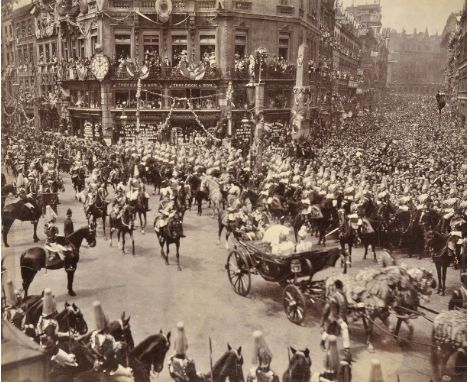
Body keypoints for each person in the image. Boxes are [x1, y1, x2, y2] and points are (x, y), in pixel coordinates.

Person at [88, 301, 132, 377]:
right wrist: (125, 371)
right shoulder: (107, 339)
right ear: (106, 326)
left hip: (97, 364)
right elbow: (111, 360)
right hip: (108, 369)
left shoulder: (94, 335)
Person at [35, 288, 78, 367]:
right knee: (73, 364)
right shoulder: (50, 325)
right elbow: (51, 346)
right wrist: (66, 357)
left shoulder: (43, 319)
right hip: (52, 351)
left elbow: (55, 334)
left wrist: (66, 334)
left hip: (48, 345)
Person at [320, 279, 351, 362]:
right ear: (338, 288)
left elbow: (346, 305)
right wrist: (340, 320)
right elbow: (334, 311)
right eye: (340, 288)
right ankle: (346, 350)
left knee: (331, 332)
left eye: (342, 288)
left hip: (341, 317)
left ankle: (323, 340)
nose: (342, 289)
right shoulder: (334, 297)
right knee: (342, 329)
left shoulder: (343, 295)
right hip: (334, 318)